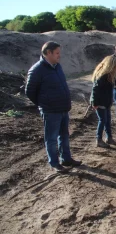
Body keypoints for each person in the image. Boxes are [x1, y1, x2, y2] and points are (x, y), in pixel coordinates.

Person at [25, 41, 82, 173]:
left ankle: (66, 159)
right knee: (51, 139)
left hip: (62, 108)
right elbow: (29, 92)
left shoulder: (57, 67)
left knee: (64, 136)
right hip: (50, 111)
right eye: (57, 53)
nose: (59, 55)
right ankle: (55, 163)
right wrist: (44, 103)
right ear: (48, 53)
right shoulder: (37, 70)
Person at [90, 55, 116, 148]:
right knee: (102, 120)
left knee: (107, 120)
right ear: (110, 66)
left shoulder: (109, 75)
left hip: (106, 102)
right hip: (100, 102)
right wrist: (94, 103)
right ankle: (98, 139)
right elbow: (95, 90)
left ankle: (109, 138)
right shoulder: (102, 76)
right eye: (115, 67)